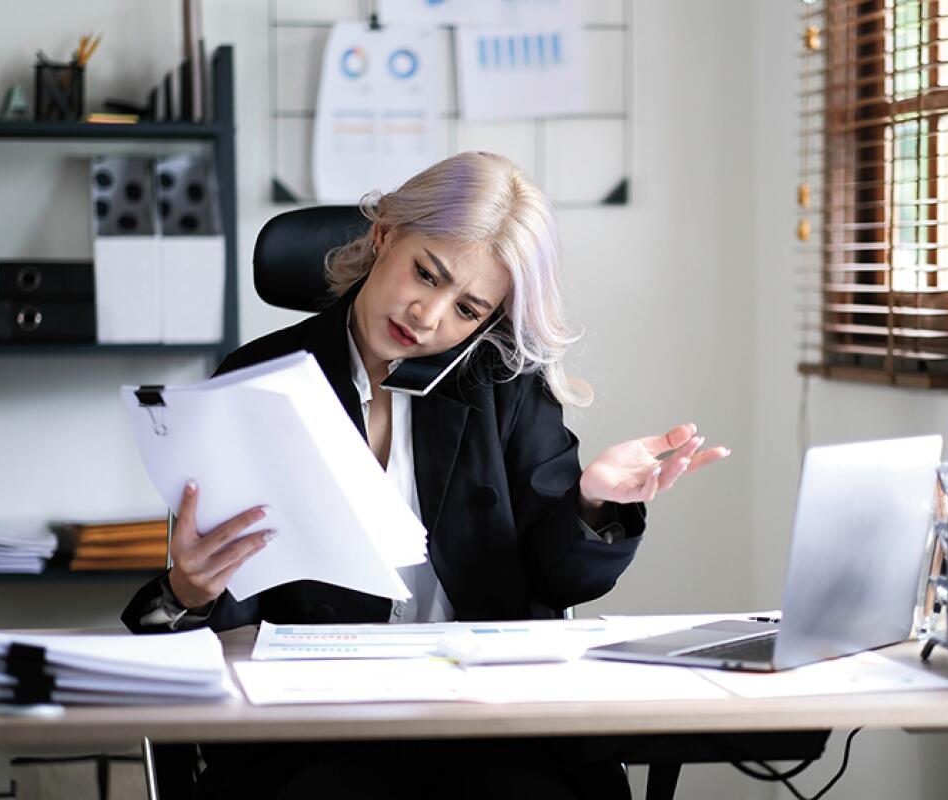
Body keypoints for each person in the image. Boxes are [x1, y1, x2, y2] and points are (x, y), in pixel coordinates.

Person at [122, 151, 728, 798]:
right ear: (383, 234)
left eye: (468, 310)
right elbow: (229, 617)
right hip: (323, 729)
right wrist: (190, 590)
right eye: (425, 274)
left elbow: (559, 579)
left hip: (489, 722)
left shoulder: (504, 386)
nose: (429, 317)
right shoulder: (258, 382)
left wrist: (591, 505)